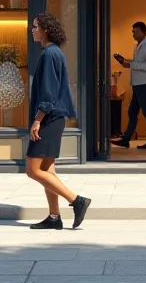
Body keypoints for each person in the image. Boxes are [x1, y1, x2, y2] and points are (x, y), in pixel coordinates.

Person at [25, 12, 91, 230]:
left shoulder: (50, 55)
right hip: (54, 118)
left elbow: (49, 91)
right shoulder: (53, 53)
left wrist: (38, 120)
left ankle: (76, 201)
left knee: (33, 170)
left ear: (45, 30)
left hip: (49, 118)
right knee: (47, 169)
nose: (32, 30)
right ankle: (54, 217)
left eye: (35, 26)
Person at [111, 21, 146, 150]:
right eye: (133, 32)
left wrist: (131, 64)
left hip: (145, 84)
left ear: (144, 32)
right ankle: (126, 138)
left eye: (136, 32)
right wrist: (127, 62)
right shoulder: (138, 46)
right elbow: (139, 63)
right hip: (138, 84)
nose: (133, 34)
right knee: (132, 112)